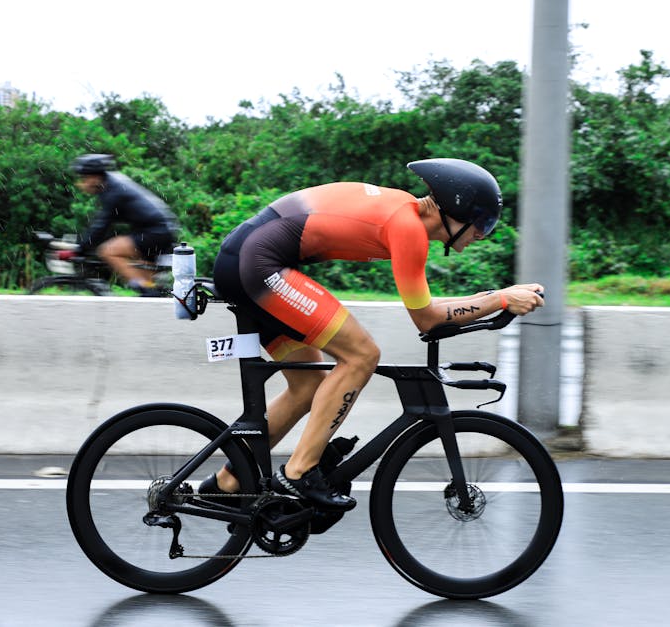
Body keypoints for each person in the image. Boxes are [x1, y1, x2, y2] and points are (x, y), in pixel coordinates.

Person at [203, 158, 545, 510]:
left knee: (307, 386)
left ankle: (229, 481)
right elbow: (427, 320)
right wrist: (500, 298)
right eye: (482, 223)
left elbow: (427, 307)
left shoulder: (406, 215)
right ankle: (299, 472)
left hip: (245, 260)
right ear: (455, 211)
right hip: (257, 264)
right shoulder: (408, 229)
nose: (482, 234)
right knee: (361, 355)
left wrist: (495, 297)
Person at [70, 154, 179, 296]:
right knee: (151, 287)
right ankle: (151, 293)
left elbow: (101, 225)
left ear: (95, 177)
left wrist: (80, 249)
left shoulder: (113, 191)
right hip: (160, 230)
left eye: (84, 179)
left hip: (155, 232)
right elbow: (104, 224)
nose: (82, 184)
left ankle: (145, 289)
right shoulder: (111, 182)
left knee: (108, 251)